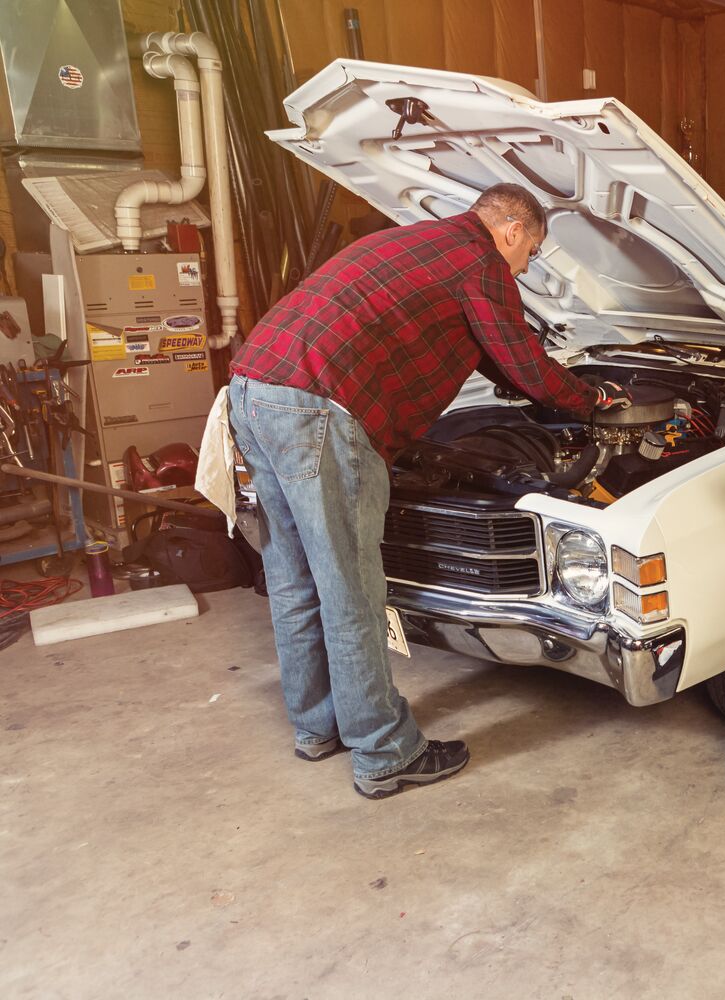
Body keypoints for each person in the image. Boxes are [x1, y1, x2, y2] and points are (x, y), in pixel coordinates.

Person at [227, 182, 628, 799]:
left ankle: (316, 728)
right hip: (318, 409)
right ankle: (384, 753)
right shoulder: (481, 260)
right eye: (533, 252)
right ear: (513, 230)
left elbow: (495, 355)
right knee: (352, 589)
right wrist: (589, 399)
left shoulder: (414, 239)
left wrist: (538, 386)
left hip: (254, 389)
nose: (526, 267)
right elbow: (520, 358)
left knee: (295, 576)